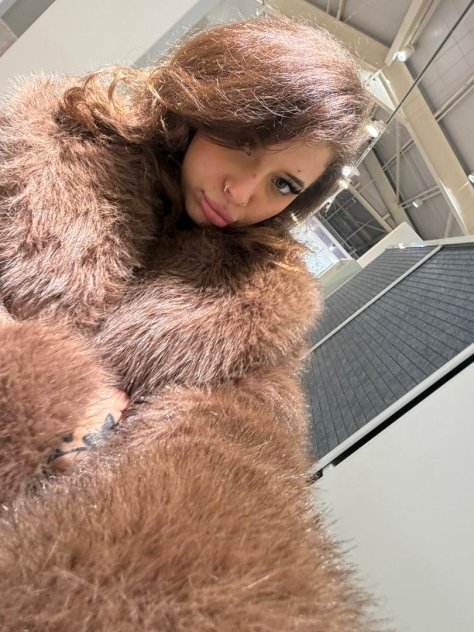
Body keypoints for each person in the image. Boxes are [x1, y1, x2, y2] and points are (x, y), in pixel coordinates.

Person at [0, 17, 378, 631]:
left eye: (283, 183)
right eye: (246, 145)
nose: (243, 193)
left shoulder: (256, 305)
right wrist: (49, 395)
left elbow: (240, 439)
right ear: (207, 104)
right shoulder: (44, 150)